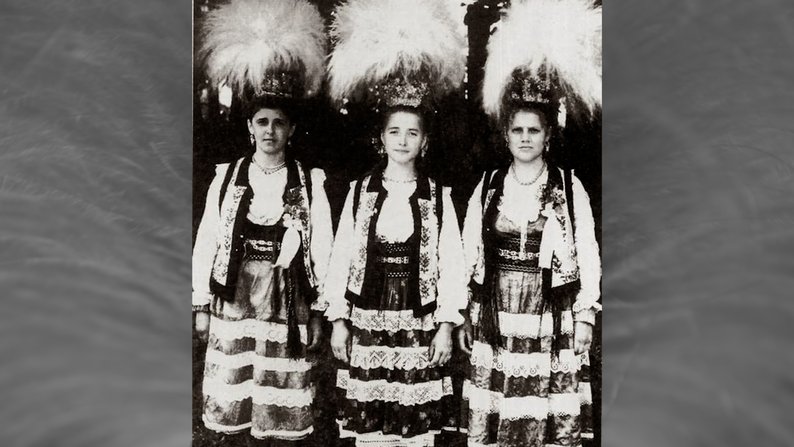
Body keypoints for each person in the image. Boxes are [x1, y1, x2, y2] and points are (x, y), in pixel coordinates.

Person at [322, 1, 468, 444]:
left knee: (411, 419)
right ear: (380, 137)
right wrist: (339, 320)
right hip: (368, 312)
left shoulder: (437, 197)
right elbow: (341, 255)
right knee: (372, 417)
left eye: (412, 133)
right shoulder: (360, 192)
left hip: (418, 318)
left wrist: (446, 326)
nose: (402, 141)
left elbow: (452, 262)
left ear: (424, 142)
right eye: (394, 131)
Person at [459, 0, 603, 445]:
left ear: (548, 135)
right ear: (506, 135)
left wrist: (585, 316)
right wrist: (466, 311)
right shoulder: (489, 186)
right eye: (517, 130)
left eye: (534, 131)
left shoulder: (568, 186)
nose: (525, 138)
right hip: (497, 309)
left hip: (550, 312)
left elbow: (588, 254)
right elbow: (468, 252)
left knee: (544, 412)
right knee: (500, 407)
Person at [192, 0, 331, 443]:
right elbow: (208, 238)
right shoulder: (228, 177)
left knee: (279, 386)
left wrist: (318, 312)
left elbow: (322, 248)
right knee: (237, 386)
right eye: (262, 122)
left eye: (279, 123)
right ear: (250, 128)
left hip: (286, 296)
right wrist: (201, 305)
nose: (270, 130)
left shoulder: (308, 182)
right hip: (236, 292)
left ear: (292, 130)